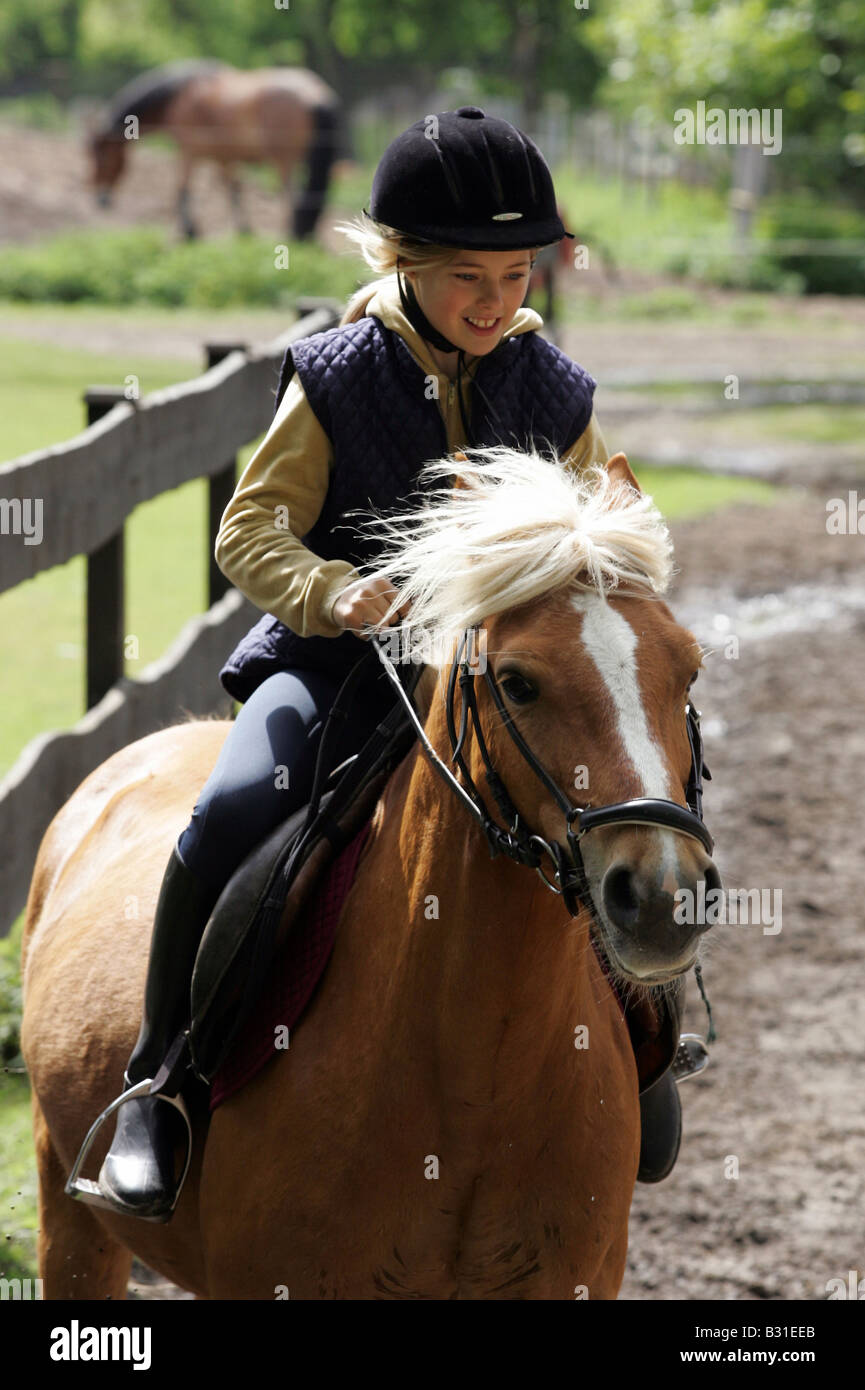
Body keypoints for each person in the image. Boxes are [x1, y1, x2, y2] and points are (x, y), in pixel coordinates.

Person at [80, 106, 677, 1223]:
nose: (495, 302)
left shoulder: (550, 386)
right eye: (467, 278)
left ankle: (648, 1036)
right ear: (399, 261)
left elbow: (609, 518)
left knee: (633, 788)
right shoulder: (336, 374)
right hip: (343, 665)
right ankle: (160, 1086)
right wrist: (334, 591)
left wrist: (622, 539)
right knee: (226, 814)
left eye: (515, 272)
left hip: (503, 684)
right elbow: (247, 533)